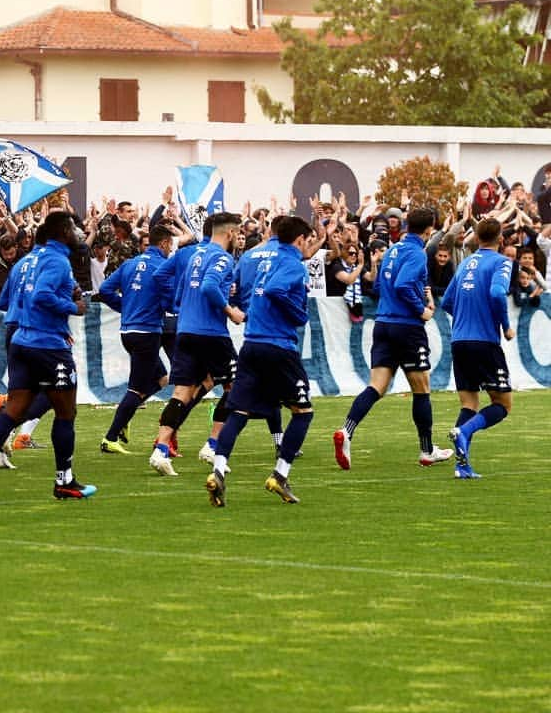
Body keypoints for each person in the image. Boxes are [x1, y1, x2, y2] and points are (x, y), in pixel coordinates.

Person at [0, 212, 94, 504]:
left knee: (14, 411)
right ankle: (65, 481)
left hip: (20, 340)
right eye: (73, 227)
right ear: (62, 231)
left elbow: (4, 302)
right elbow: (41, 297)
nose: (77, 232)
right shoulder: (57, 261)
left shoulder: (23, 262)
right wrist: (73, 307)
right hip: (47, 344)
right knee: (66, 412)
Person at [205, 216, 318, 508]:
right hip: (278, 346)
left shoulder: (263, 258)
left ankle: (218, 469)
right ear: (300, 239)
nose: (310, 246)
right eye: (309, 240)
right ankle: (280, 475)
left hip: (252, 344)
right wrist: (299, 314)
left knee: (238, 412)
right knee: (303, 412)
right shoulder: (292, 264)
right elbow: (276, 291)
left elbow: (249, 291)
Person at [333, 208, 453, 470]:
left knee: (376, 387)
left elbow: (378, 287)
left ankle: (347, 430)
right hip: (406, 327)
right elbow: (401, 285)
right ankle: (426, 450)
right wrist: (420, 309)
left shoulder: (393, 250)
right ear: (429, 230)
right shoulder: (416, 254)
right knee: (421, 389)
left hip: (383, 324)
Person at [148, 214, 244, 476]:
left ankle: (161, 450)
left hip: (186, 330)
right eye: (239, 233)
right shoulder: (223, 258)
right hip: (212, 334)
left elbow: (169, 284)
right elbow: (210, 287)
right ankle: (212, 446)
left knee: (182, 393)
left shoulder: (190, 254)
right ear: (231, 234)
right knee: (235, 388)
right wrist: (230, 312)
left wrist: (181, 306)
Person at [441, 219, 515, 479]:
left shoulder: (464, 263)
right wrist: (505, 326)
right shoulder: (501, 261)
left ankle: (462, 466)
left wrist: (465, 316)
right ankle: (464, 432)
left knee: (469, 403)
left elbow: (447, 302)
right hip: (483, 341)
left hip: (459, 340)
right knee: (503, 404)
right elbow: (497, 293)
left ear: (477, 238)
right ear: (501, 239)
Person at [96, 224, 175, 455]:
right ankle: (110, 437)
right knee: (137, 390)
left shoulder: (130, 263)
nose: (171, 249)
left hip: (128, 332)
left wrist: (126, 307)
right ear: (163, 244)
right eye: (170, 244)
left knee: (161, 378)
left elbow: (104, 289)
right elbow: (170, 302)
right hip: (147, 333)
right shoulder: (162, 267)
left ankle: (125, 414)